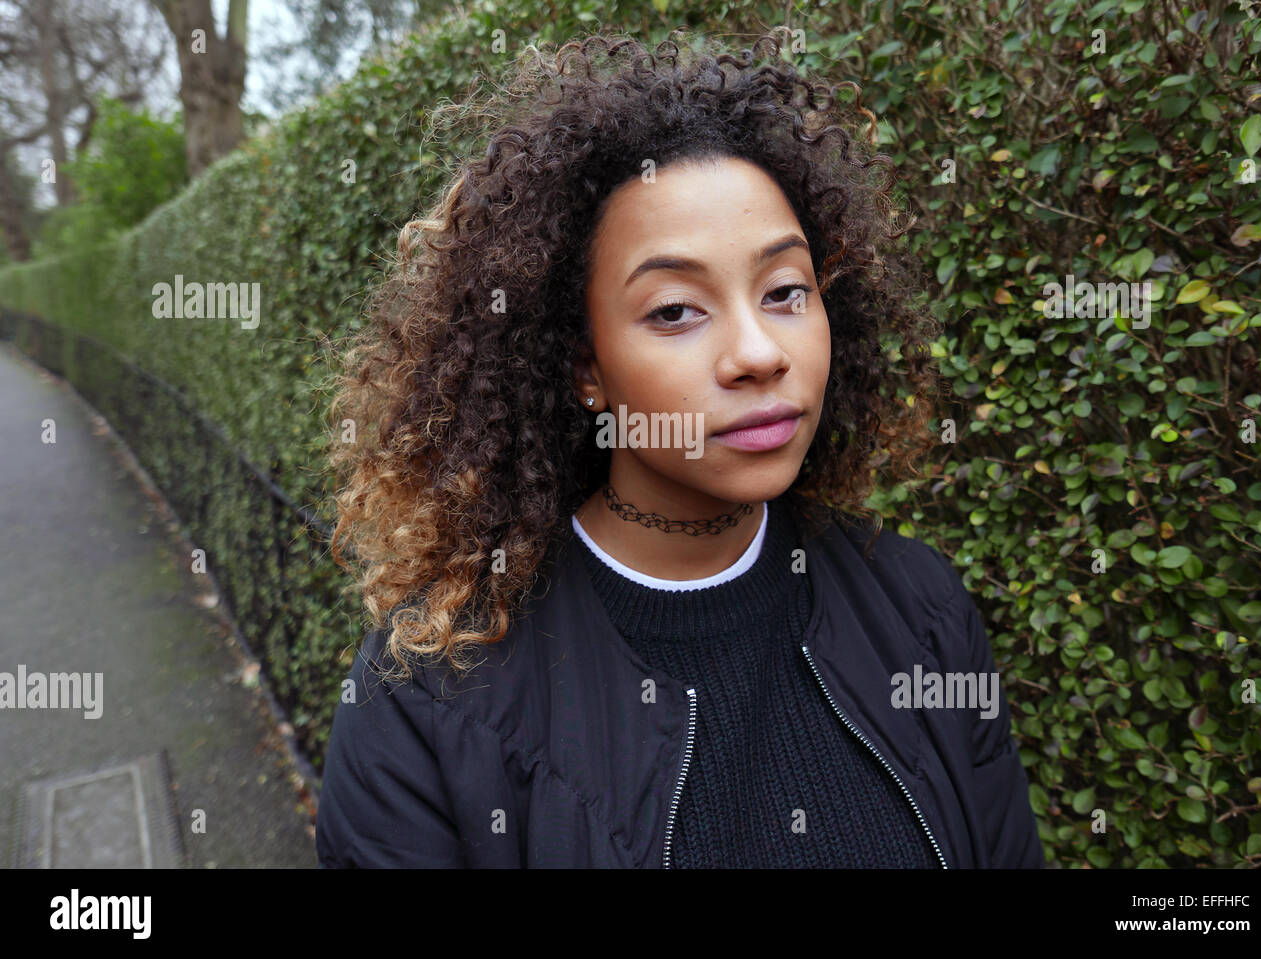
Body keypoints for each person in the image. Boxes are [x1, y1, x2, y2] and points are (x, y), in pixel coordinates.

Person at [315, 28, 1044, 869]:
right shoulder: (428, 697)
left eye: (784, 292)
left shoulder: (921, 609)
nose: (759, 353)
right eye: (674, 310)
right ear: (585, 365)